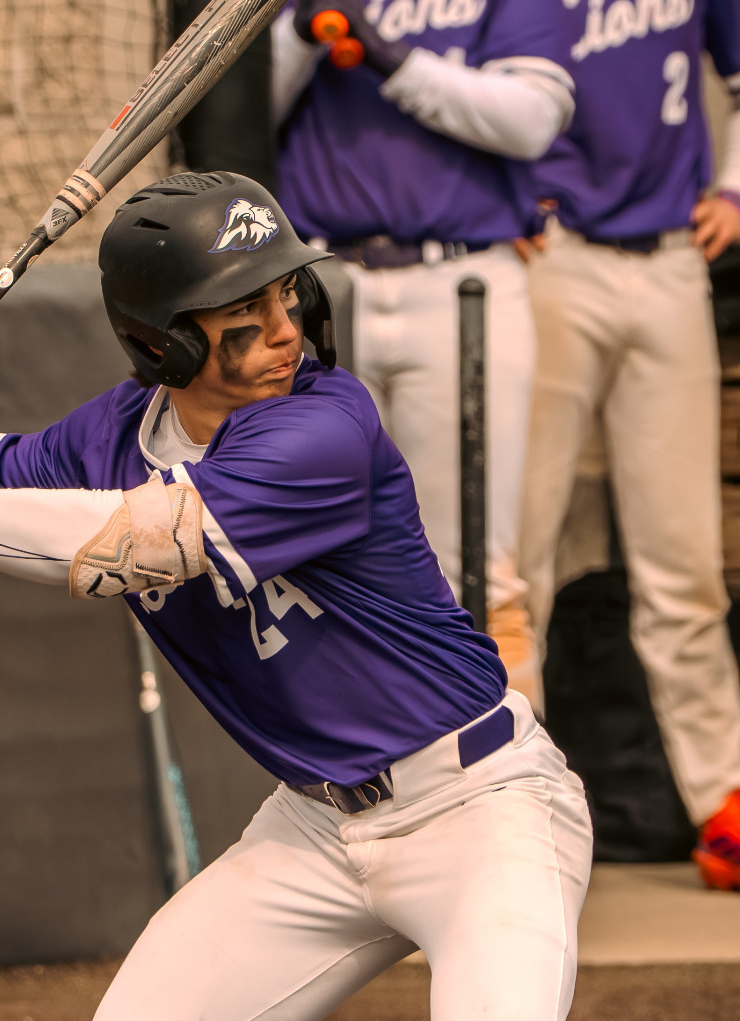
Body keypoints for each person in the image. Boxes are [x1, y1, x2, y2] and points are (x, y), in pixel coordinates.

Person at [0, 172, 641, 1021]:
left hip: (480, 803)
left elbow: (132, 545)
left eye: (284, 291)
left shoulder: (325, 425)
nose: (284, 325)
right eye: (241, 309)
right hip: (316, 829)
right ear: (163, 340)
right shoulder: (113, 432)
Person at [517, 0, 740, 893]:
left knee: (683, 562)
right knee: (512, 561)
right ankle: (501, 808)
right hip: (549, 257)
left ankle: (724, 802)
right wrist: (493, 196)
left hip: (671, 258)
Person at [266, 0, 577, 696]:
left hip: (461, 279)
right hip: (319, 284)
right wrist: (296, 31)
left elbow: (531, 121)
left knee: (479, 576)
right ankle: (359, 793)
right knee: (316, 572)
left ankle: (511, 795)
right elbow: (229, 117)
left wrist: (393, 60)